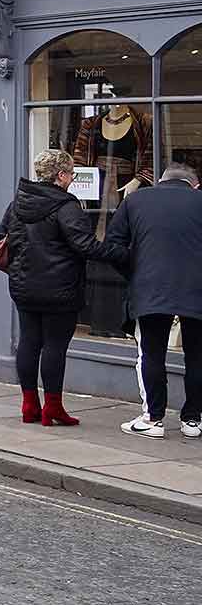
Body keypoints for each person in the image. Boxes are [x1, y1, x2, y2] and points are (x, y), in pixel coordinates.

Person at [0, 149, 128, 427]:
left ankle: (29, 405)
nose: (72, 178)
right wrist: (122, 253)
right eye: (71, 173)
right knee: (55, 346)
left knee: (29, 342)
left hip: (24, 287)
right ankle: (53, 408)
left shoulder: (18, 203)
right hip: (60, 289)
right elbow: (85, 245)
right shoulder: (67, 206)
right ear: (60, 175)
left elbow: (3, 240)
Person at [103, 162, 202, 438]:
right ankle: (193, 420)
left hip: (151, 287)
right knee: (197, 356)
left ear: (160, 180)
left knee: (152, 353)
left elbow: (113, 246)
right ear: (194, 185)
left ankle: (153, 419)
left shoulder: (136, 200)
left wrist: (135, 272)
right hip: (197, 289)